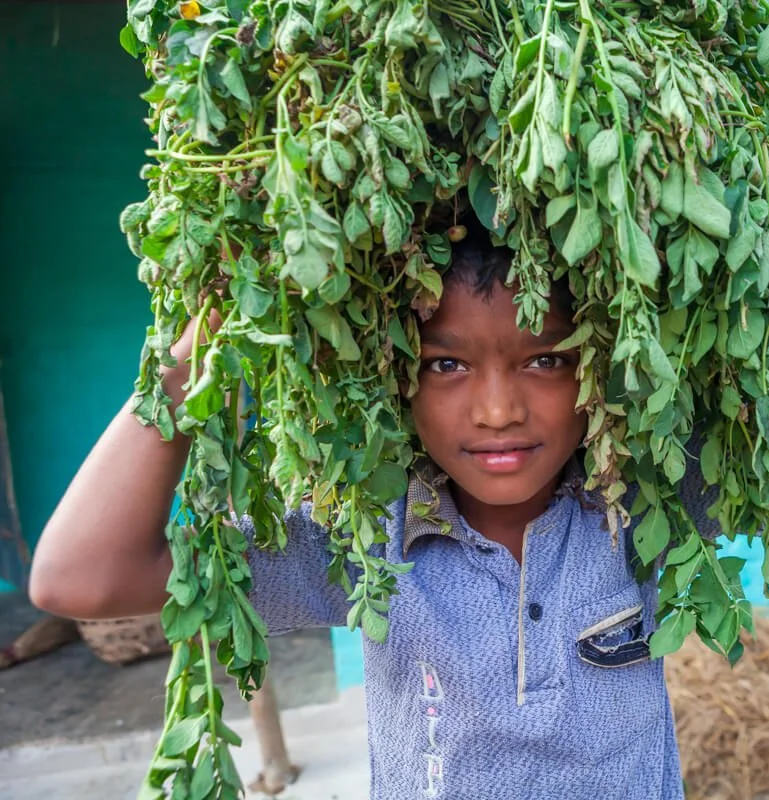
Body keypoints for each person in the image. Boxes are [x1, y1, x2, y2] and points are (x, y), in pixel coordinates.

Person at [29, 228, 718, 799]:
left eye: (544, 358)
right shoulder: (359, 540)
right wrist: (204, 340)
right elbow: (80, 576)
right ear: (391, 377)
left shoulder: (647, 506)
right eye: (446, 365)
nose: (499, 411)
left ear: (599, 368)